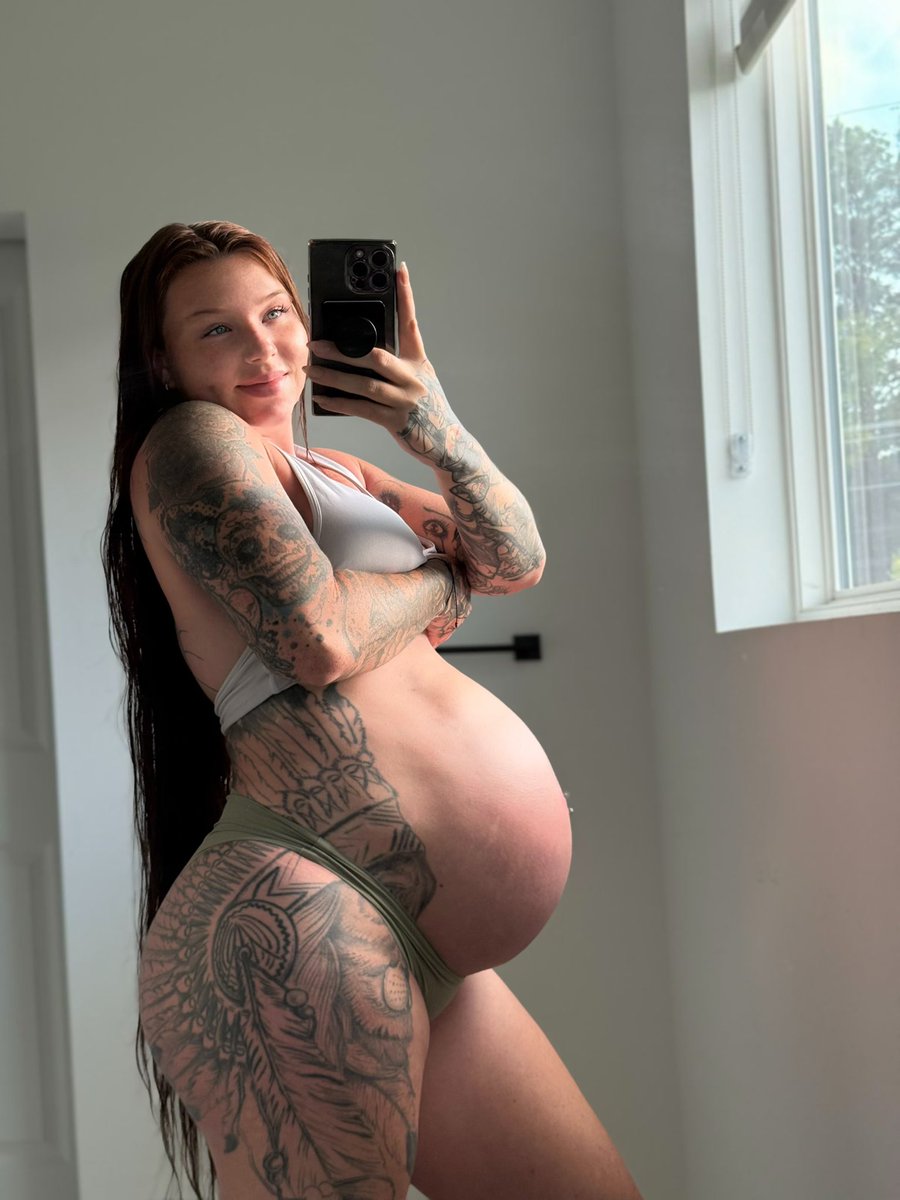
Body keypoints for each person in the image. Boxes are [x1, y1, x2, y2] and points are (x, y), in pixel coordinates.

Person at [102, 221, 643, 1200]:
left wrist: (430, 421)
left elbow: (516, 559)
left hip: (410, 939)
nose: (264, 348)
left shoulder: (343, 473)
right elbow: (319, 637)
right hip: (305, 910)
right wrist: (441, 585)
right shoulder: (192, 443)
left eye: (277, 314)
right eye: (217, 330)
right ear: (164, 361)